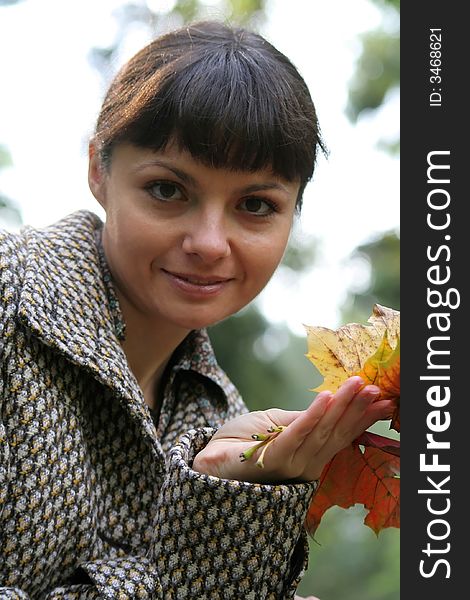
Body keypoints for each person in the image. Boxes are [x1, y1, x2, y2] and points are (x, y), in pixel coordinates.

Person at [0, 20, 393, 599]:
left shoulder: (226, 423)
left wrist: (226, 511)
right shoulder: (11, 301)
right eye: (167, 190)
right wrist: (200, 533)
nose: (210, 243)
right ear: (97, 172)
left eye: (256, 205)